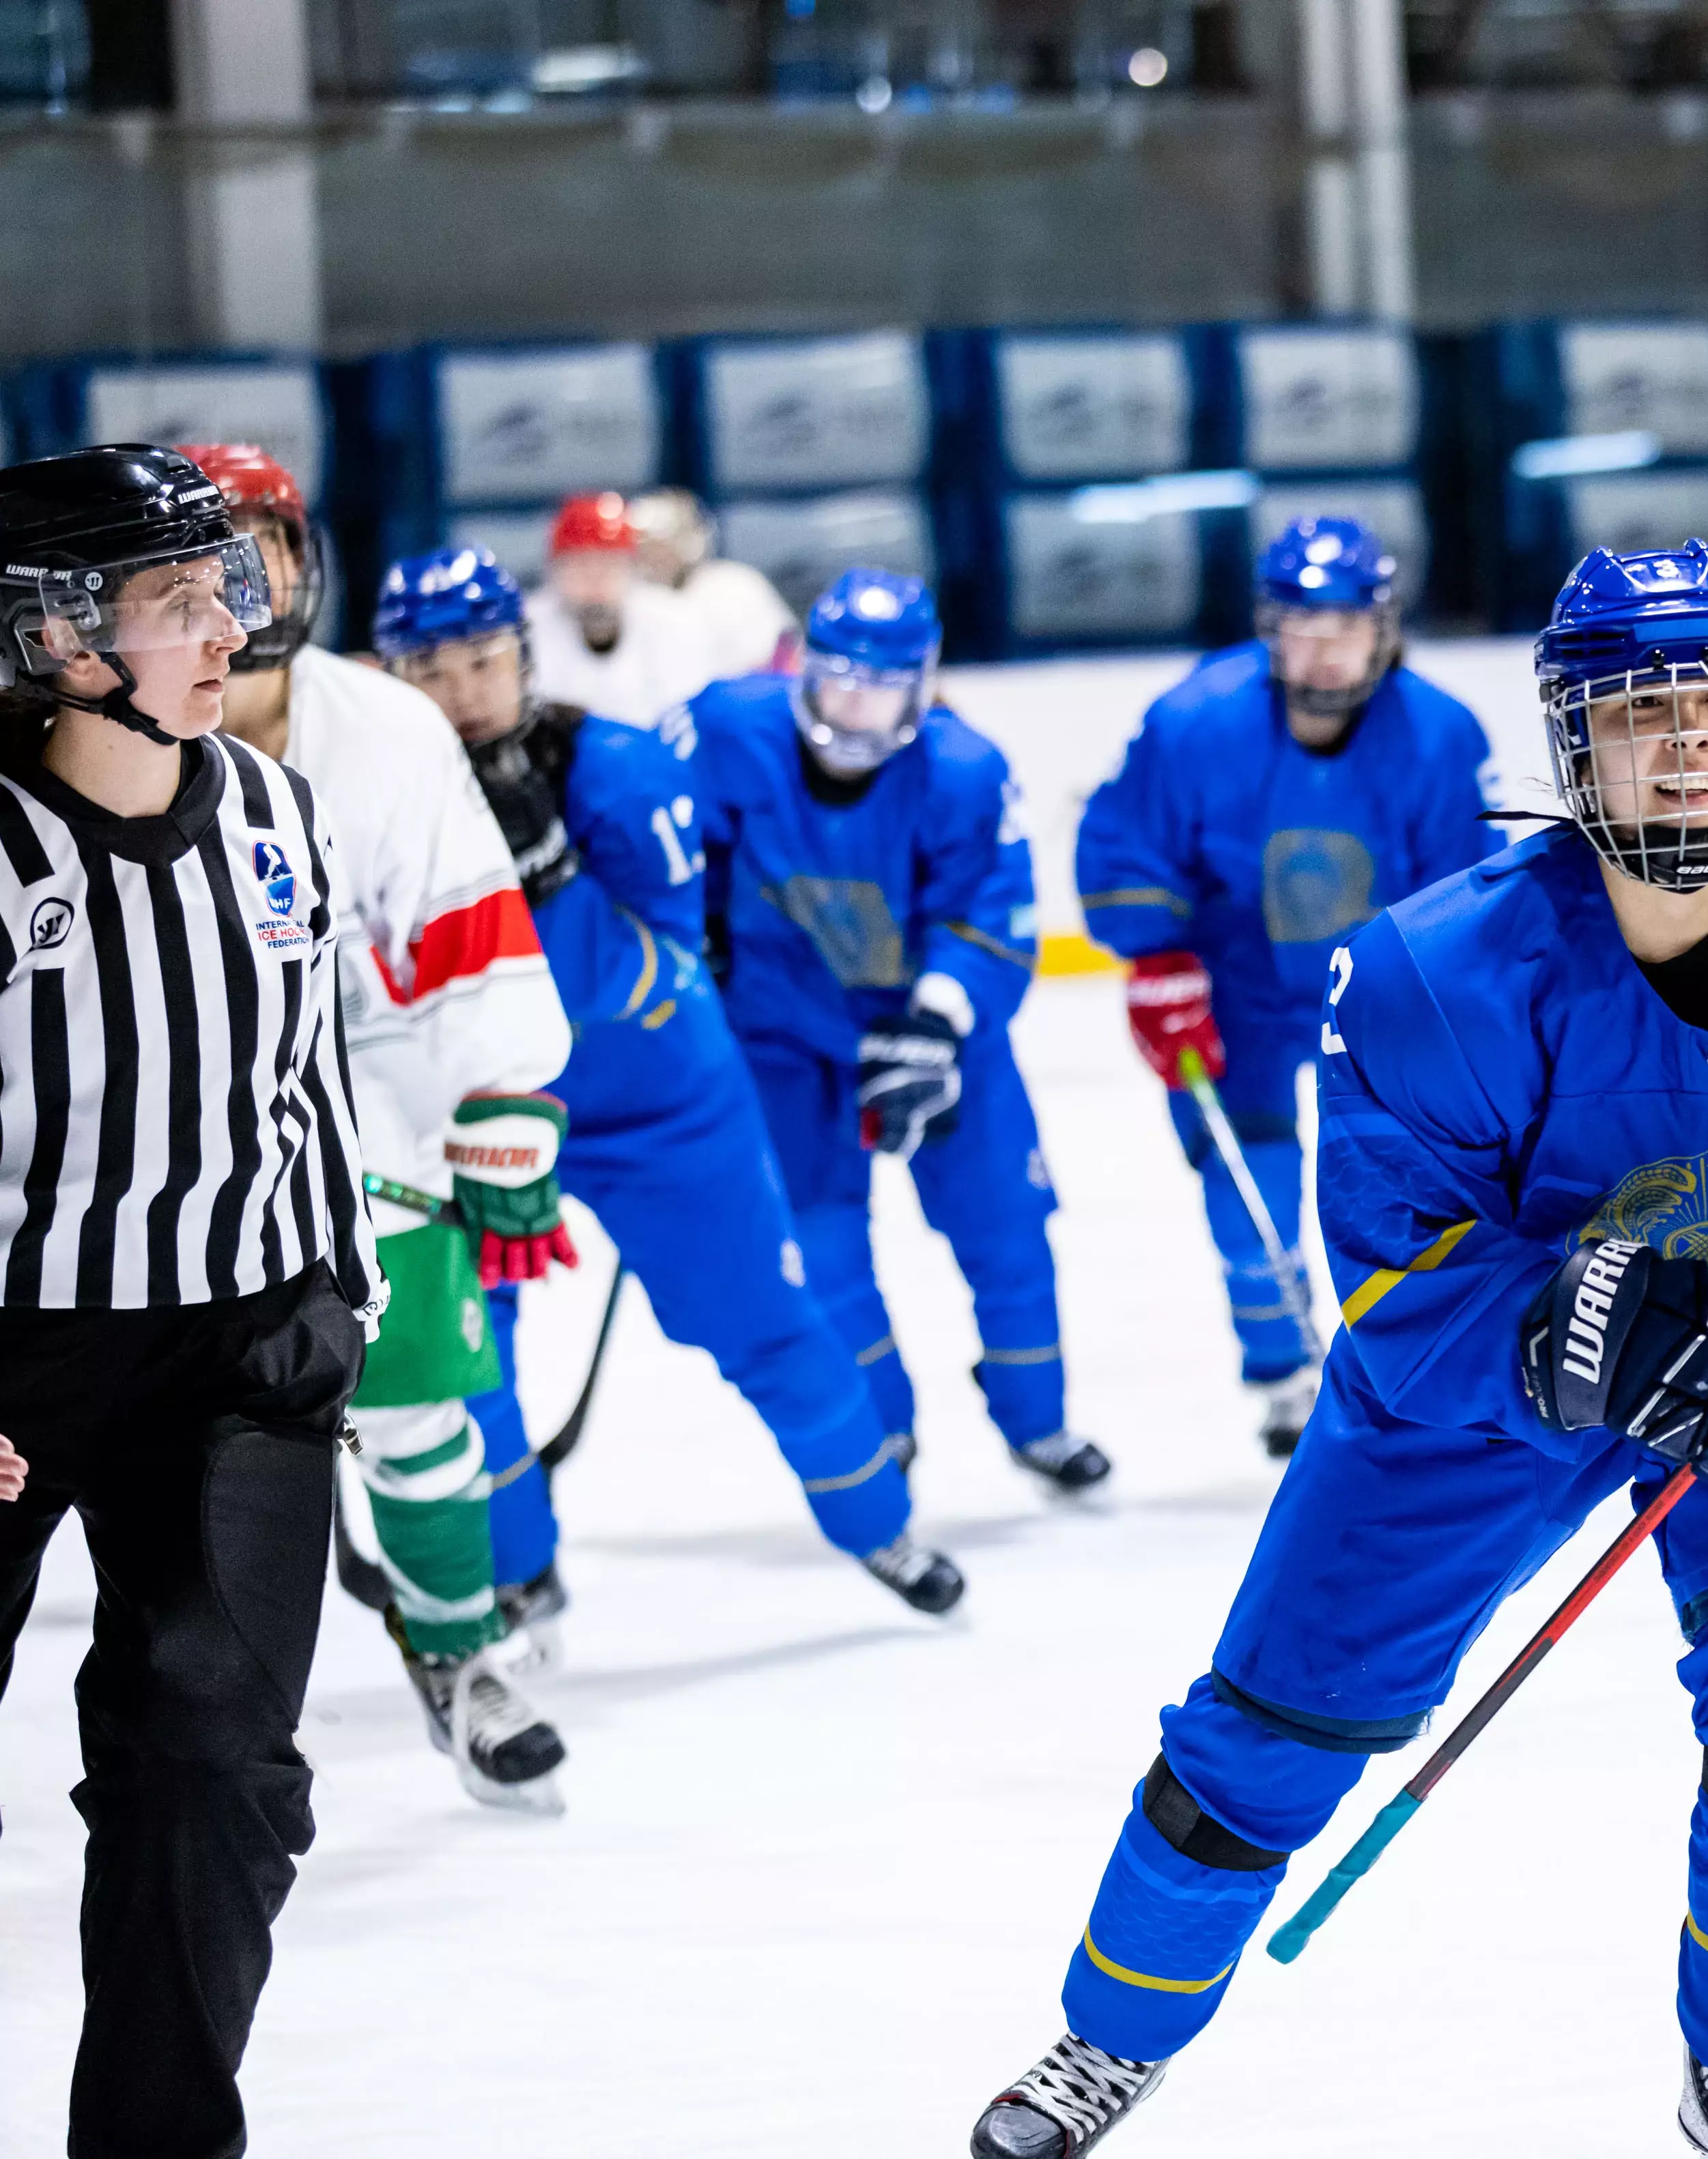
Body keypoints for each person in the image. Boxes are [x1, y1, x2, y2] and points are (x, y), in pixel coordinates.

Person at [971, 541, 1708, 2159]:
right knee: (1265, 1736)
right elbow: (1401, 1288)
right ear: (1572, 747)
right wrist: (1589, 1326)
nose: (1686, 743)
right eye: (1642, 715)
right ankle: (1103, 2039)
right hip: (1481, 1399)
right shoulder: (1432, 974)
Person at [0, 444, 384, 2157]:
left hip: (239, 1347)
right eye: (176, 600)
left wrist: (337, 1296)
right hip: (15, 1357)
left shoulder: (278, 812)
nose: (228, 625)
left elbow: (300, 1076)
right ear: (60, 639)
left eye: (229, 589)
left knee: (216, 1771)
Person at [371, 545, 967, 1621]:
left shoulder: (622, 771)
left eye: (479, 663)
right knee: (465, 1362)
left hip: (661, 1109)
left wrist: (549, 882)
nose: (459, 696)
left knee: (766, 1324)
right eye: (428, 671)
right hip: (461, 1117)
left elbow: (660, 971)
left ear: (521, 652)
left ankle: (878, 1521)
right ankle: (515, 1569)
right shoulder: (363, 796)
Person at [186, 443, 578, 1811]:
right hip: (157, 1110)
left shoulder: (389, 728)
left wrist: (505, 1090)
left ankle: (460, 1650)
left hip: (370, 1087)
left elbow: (475, 936)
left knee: (414, 1383)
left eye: (266, 546)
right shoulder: (84, 729)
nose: (244, 579)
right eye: (208, 553)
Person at [1072, 515, 1496, 1454]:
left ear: (1383, 628)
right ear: (1270, 627)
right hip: (1240, 984)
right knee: (1247, 1181)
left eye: (1344, 626)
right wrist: (1155, 957)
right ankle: (1281, 1370)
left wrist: (1459, 1003)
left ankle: (1414, 1353)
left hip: (1382, 993)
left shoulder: (1438, 734)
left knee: (1407, 1180)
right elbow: (1126, 841)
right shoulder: (1193, 720)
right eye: (1302, 625)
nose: (1324, 649)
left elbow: (1472, 888)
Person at [687, 568, 1107, 1493]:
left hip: (936, 1040)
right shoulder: (725, 726)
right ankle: (885, 1428)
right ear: (803, 666)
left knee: (1006, 1226)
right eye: (837, 675)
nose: (853, 703)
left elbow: (992, 916)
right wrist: (691, 931)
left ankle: (1036, 1420)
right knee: (819, 1240)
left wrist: (936, 1016)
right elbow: (667, 837)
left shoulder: (965, 771)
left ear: (922, 683)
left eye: (880, 684)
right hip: (785, 1034)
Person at [524, 489, 722, 725]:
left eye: (608, 564)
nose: (594, 578)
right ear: (554, 571)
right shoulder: (527, 629)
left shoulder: (677, 621)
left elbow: (692, 719)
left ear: (633, 568)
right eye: (580, 564)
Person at [629, 486, 800, 680]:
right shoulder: (625, 597)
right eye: (648, 544)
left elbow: (784, 660)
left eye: (665, 543)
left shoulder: (737, 588)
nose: (656, 555)